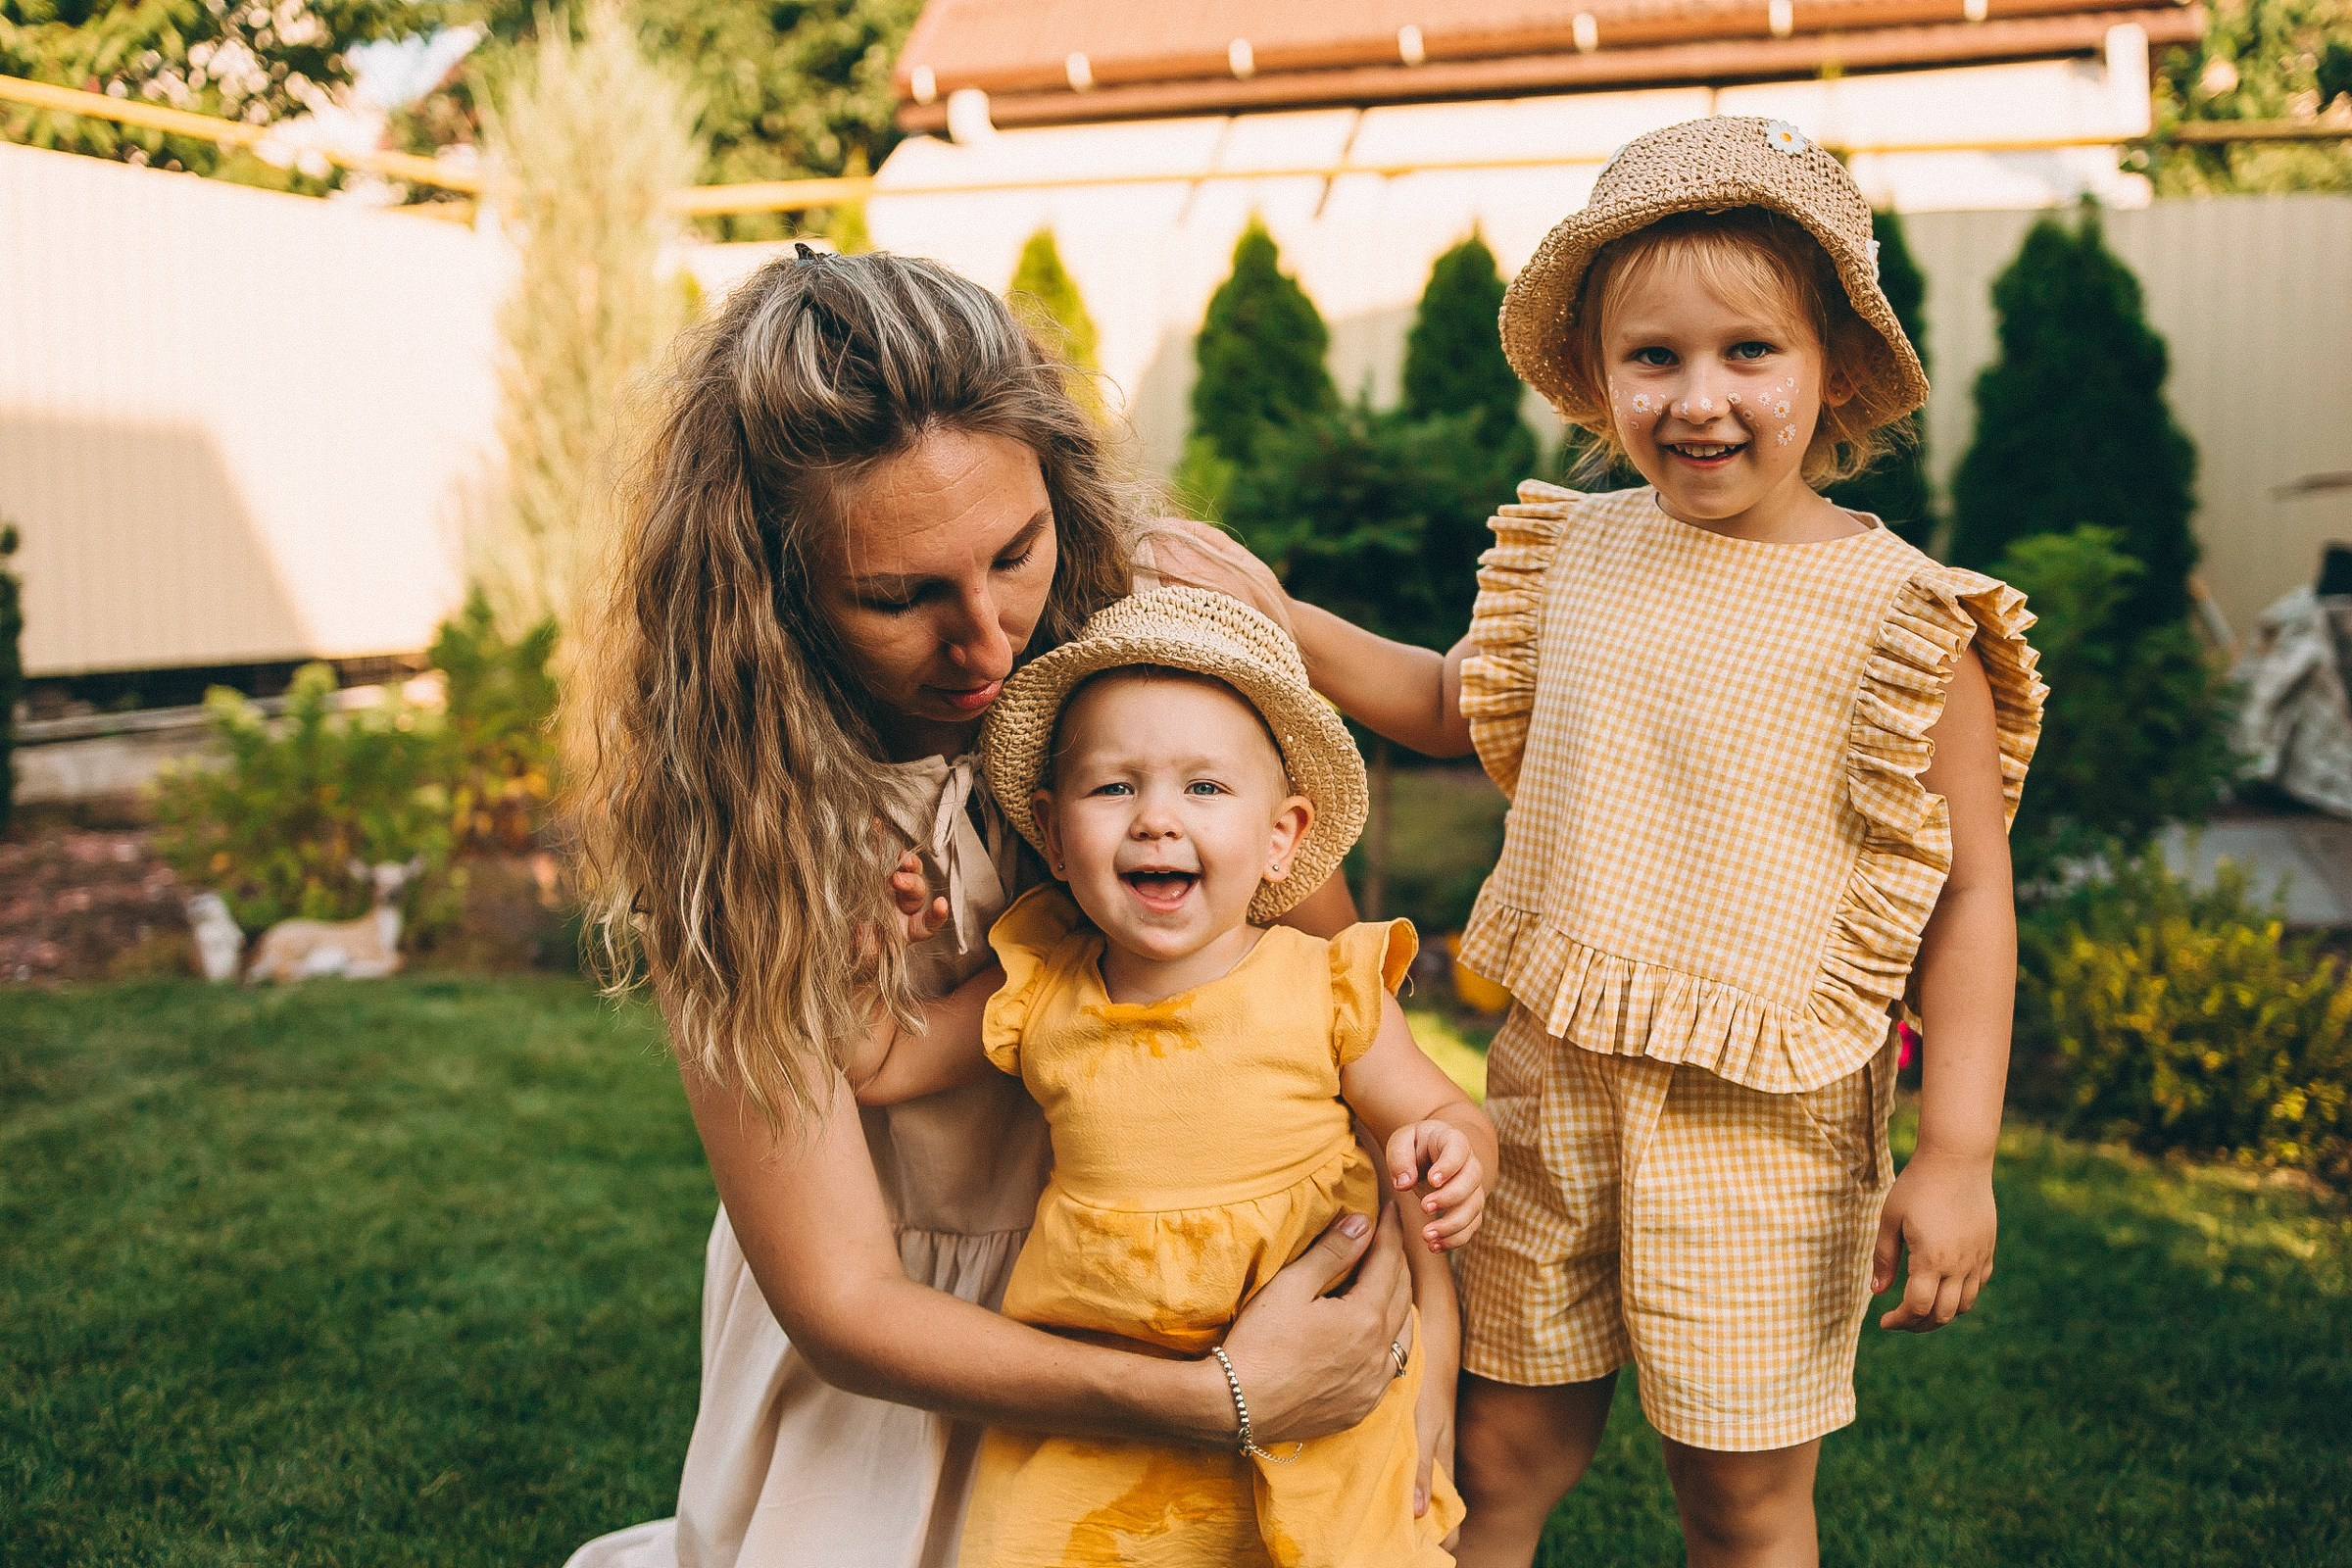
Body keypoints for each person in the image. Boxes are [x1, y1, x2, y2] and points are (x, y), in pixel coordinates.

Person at [1170, 117, 2047, 1567]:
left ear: (1832, 369)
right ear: (1601, 374)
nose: (1699, 397)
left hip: (1762, 1117)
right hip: (1551, 1083)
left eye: (1747, 353)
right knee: (1503, 1450)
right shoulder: (1578, 553)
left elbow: (1969, 898)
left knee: (1742, 1496)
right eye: (1654, 358)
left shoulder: (1905, 620)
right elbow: (1457, 704)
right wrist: (1287, 619)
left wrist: (1955, 1152)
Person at [564, 249, 1429, 1568]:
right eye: (901, 596)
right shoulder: (744, 808)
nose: (988, 640)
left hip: (1174, 1284)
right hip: (912, 1369)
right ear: (777, 588)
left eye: (1014, 555)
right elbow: (847, 1299)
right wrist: (1218, 1403)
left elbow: (1312, 974)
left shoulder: (1135, 669)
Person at [848, 587, 1496, 1565]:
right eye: (1115, 788)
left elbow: (1441, 1108)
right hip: (1104, 1395)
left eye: (1204, 788)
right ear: (1055, 835)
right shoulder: (1042, 982)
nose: (1156, 819)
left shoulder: (1326, 983)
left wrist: (1453, 1144)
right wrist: (871, 949)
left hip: (1315, 1387)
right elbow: (879, 1061)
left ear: (1282, 834)